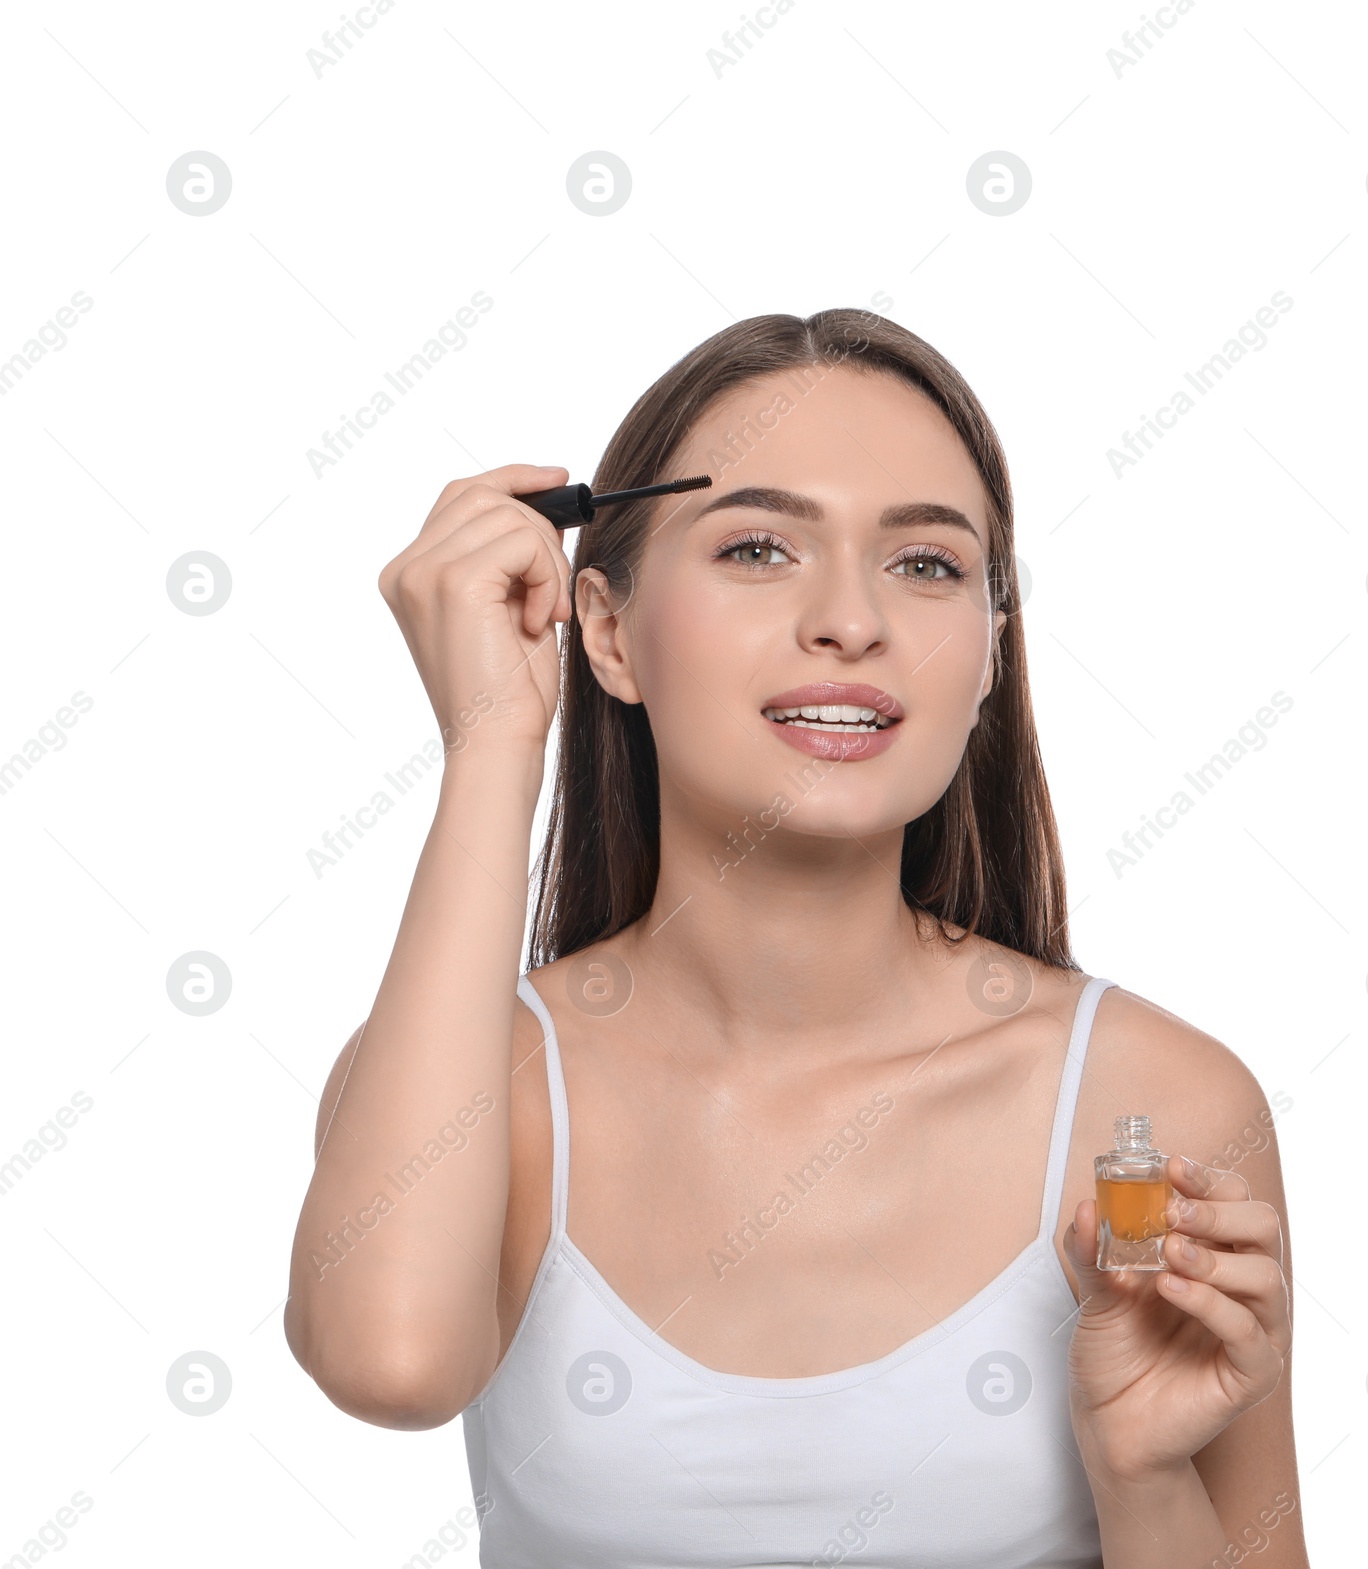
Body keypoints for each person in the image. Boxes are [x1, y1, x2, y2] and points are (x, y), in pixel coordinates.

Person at [284, 308, 1306, 1568]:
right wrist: (494, 740)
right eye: (760, 547)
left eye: (926, 565)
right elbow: (389, 1365)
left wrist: (1145, 1479)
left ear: (987, 655)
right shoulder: (474, 1082)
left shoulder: (1153, 1110)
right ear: (605, 631)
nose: (850, 619)